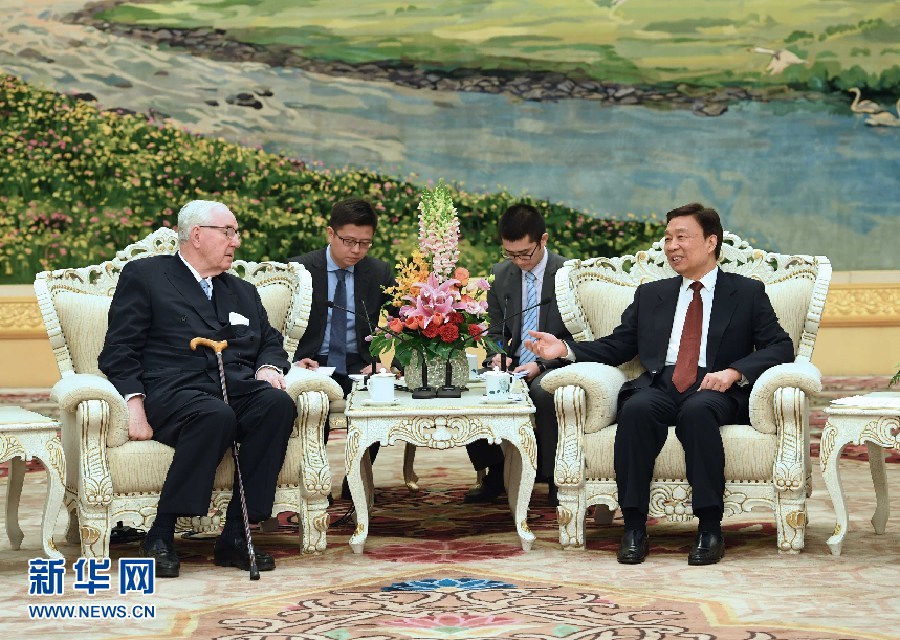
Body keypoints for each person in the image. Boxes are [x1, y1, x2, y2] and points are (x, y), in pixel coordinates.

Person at [525, 203, 794, 566]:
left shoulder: (746, 292)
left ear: (711, 242)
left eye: (682, 237)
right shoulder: (652, 294)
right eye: (668, 238)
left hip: (715, 387)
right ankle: (634, 527)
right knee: (636, 409)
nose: (671, 246)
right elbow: (618, 346)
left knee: (698, 412)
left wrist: (734, 372)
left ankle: (709, 528)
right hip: (662, 383)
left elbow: (780, 346)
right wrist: (565, 349)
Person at [98, 200, 297, 578]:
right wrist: (133, 402)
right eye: (228, 232)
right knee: (214, 415)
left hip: (233, 386)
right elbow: (119, 349)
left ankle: (237, 534)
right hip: (172, 389)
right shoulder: (146, 276)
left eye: (236, 233)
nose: (236, 241)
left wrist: (268, 368)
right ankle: (160, 534)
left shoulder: (242, 291)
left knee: (277, 404)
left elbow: (270, 342)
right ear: (197, 235)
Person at [464, 203, 573, 506]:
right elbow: (494, 329)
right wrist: (497, 356)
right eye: (510, 254)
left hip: (556, 363)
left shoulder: (568, 274)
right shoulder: (500, 275)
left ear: (543, 240)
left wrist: (541, 364)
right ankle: (497, 470)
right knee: (470, 388)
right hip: (514, 364)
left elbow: (579, 335)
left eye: (525, 254)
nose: (519, 261)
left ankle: (554, 477)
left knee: (544, 392)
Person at [289, 198, 395, 499]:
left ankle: (356, 482)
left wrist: (391, 366)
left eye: (365, 243)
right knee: (312, 405)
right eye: (349, 241)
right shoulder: (300, 269)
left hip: (358, 363)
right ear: (330, 234)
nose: (357, 250)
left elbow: (406, 321)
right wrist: (293, 361)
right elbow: (277, 325)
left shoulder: (378, 272)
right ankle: (314, 482)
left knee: (380, 401)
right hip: (311, 362)